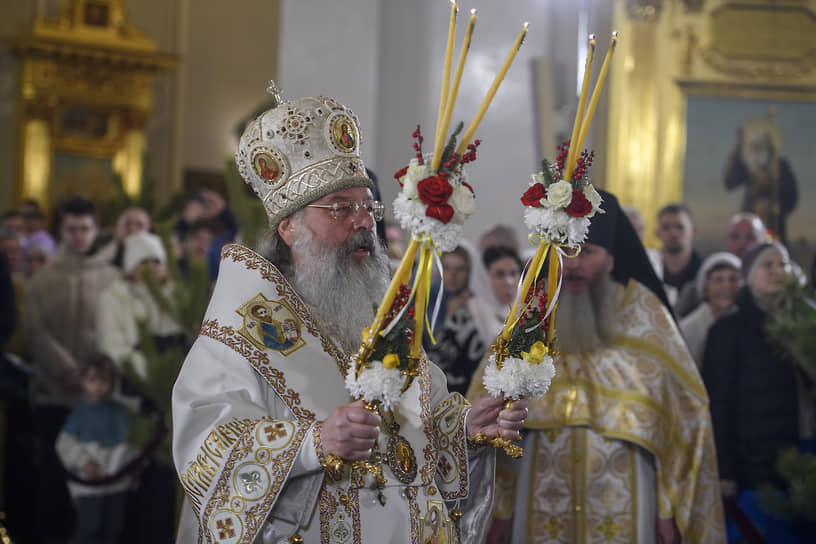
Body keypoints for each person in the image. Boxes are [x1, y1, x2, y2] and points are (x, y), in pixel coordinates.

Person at [171, 90, 528, 543]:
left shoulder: (380, 318)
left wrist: (463, 429)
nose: (363, 222)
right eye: (341, 208)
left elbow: (412, 434)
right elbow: (205, 452)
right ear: (290, 227)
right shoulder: (242, 331)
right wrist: (311, 445)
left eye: (368, 207)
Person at [469, 190, 725, 544]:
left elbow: (683, 419)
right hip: (540, 490)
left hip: (626, 493)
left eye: (587, 253)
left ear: (610, 258)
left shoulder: (644, 314)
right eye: (567, 251)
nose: (573, 265)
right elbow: (490, 415)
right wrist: (499, 506)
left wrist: (668, 507)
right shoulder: (532, 313)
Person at [24, 196, 121, 543]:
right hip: (56, 395)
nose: (79, 235)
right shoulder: (42, 280)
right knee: (53, 486)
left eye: (85, 229)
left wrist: (97, 373)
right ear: (61, 231)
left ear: (95, 230)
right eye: (71, 229)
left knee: (99, 492)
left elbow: (119, 331)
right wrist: (68, 370)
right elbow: (35, 331)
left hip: (100, 398)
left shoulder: (113, 278)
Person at [702, 241, 813, 543]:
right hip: (756, 465)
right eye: (768, 265)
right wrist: (724, 470)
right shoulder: (728, 331)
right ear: (749, 276)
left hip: (807, 456)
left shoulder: (806, 322)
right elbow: (718, 405)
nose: (778, 270)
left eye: (785, 264)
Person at [55, 354, 134, 544]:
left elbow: (131, 444)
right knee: (90, 526)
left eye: (104, 381)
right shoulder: (79, 415)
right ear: (83, 381)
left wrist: (129, 470)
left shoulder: (119, 412)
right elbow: (64, 444)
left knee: (114, 527)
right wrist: (83, 462)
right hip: (89, 485)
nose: (98, 386)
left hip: (117, 482)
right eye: (92, 380)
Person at [425, 244, 503, 396]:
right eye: (446, 267)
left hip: (463, 388)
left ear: (470, 272)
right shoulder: (429, 301)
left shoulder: (477, 305)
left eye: (460, 269)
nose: (452, 275)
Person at [724, 122, 798, 245]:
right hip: (751, 218)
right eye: (752, 147)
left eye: (759, 147)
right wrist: (738, 147)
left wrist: (778, 204)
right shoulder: (750, 168)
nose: (755, 152)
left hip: (773, 223)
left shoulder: (780, 167)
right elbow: (730, 182)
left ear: (769, 148)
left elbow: (792, 196)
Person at [679, 252, 741, 367]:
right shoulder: (686, 329)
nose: (726, 286)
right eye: (718, 280)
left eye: (733, 279)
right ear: (705, 286)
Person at [653, 203, 702, 316]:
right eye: (666, 227)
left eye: (680, 227)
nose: (673, 233)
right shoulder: (648, 270)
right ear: (657, 233)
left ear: (693, 231)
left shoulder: (705, 273)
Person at [482, 245, 523, 320]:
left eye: (513, 273)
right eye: (499, 274)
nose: (508, 282)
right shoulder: (473, 311)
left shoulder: (530, 309)